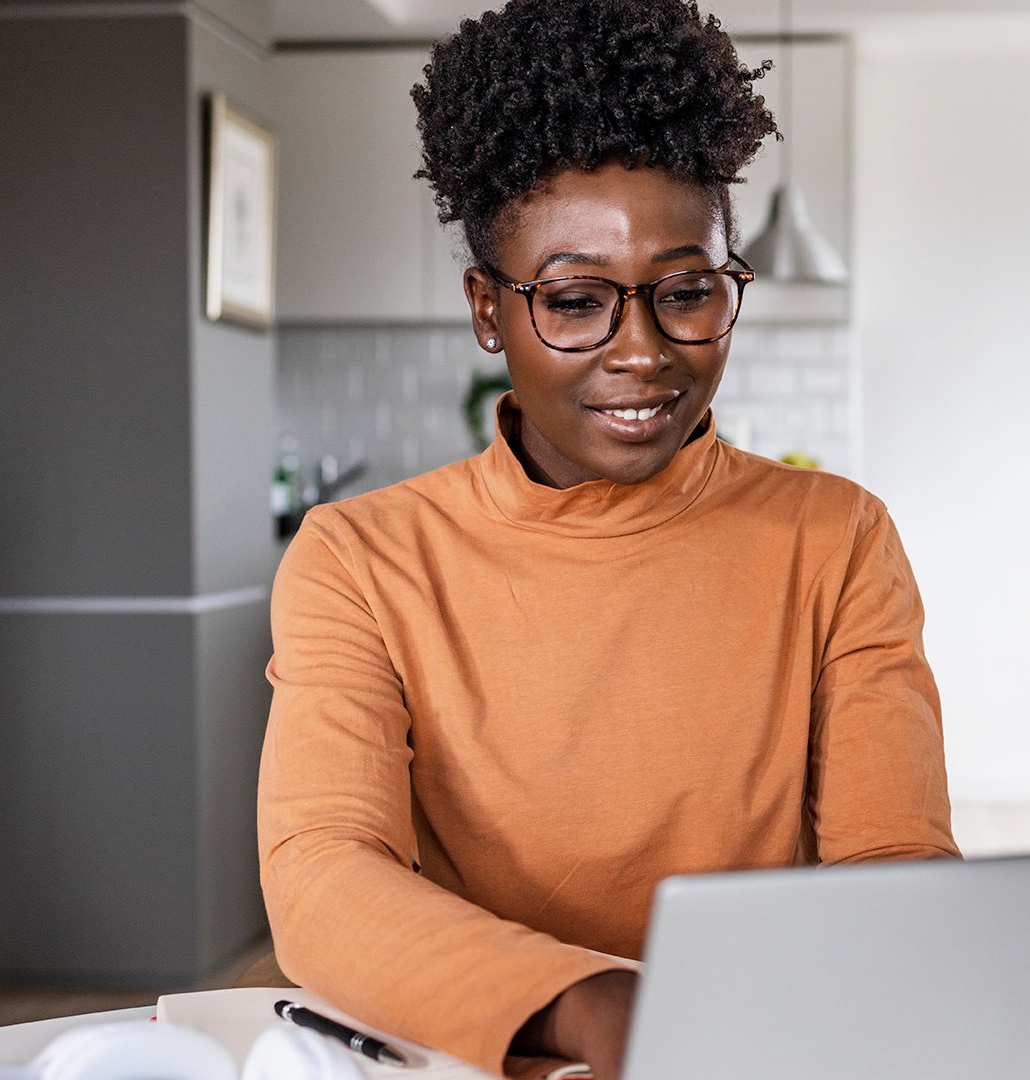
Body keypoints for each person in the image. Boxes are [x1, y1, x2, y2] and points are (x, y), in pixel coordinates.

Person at [255, 2, 958, 1078]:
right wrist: (597, 1003)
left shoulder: (835, 539)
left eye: (685, 293)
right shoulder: (362, 558)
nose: (642, 354)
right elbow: (323, 875)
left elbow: (894, 866)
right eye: (576, 301)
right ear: (488, 310)